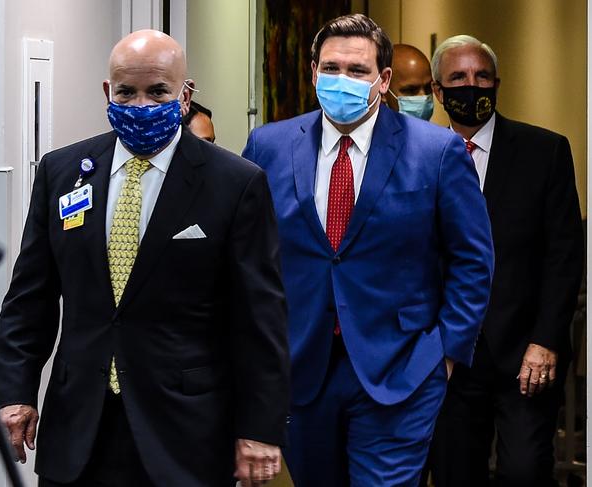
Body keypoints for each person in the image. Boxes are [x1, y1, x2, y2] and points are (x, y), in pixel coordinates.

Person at [0, 29, 290, 487]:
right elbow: (29, 298)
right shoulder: (63, 172)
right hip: (79, 428)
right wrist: (16, 392)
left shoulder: (235, 184)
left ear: (185, 95)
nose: (141, 106)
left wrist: (258, 428)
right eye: (127, 92)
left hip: (184, 431)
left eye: (158, 92)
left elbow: (259, 318)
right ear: (107, 92)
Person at [242, 14, 494, 487]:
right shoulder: (268, 145)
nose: (342, 80)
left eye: (357, 71)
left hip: (401, 367)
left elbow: (472, 258)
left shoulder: (436, 150)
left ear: (383, 80)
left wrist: (448, 354)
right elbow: (247, 258)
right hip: (303, 366)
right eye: (331, 68)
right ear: (313, 72)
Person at [426, 35, 584, 487]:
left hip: (525, 355)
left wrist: (547, 340)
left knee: (523, 471)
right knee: (455, 473)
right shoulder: (419, 157)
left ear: (498, 84)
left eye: (482, 77)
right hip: (449, 355)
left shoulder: (544, 151)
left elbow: (563, 255)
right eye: (458, 78)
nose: (471, 86)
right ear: (439, 91)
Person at [384, 43, 434, 120]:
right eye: (411, 90)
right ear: (383, 93)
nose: (423, 97)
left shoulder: (440, 132)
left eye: (428, 88)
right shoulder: (368, 131)